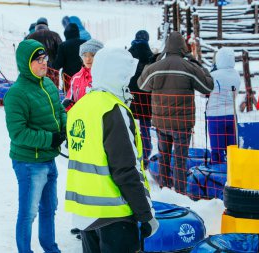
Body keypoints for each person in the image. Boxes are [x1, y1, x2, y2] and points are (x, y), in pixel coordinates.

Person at [65, 47, 158, 253]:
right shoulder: (112, 109)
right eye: (125, 76)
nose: (127, 82)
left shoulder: (79, 107)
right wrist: (145, 214)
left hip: (85, 214)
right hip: (114, 215)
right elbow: (125, 168)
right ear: (116, 75)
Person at [4, 39, 65, 253]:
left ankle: (50, 247)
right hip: (29, 163)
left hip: (49, 158)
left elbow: (60, 111)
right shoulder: (16, 93)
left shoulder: (48, 84)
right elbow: (18, 133)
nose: (43, 63)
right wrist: (50, 138)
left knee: (49, 208)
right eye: (37, 60)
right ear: (25, 63)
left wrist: (64, 129)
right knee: (28, 213)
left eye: (44, 58)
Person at [138, 31, 214, 194]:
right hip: (182, 125)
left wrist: (155, 61)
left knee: (164, 157)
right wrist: (196, 62)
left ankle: (165, 188)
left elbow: (142, 84)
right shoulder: (189, 67)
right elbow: (208, 86)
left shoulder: (156, 67)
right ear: (183, 47)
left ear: (166, 46)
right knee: (180, 160)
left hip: (161, 123)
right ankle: (180, 193)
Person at [206, 48, 240, 164]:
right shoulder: (236, 74)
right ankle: (233, 172)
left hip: (216, 116)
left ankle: (217, 175)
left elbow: (203, 93)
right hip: (232, 115)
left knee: (217, 150)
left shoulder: (213, 75)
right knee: (232, 149)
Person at [128, 30, 154, 168]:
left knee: (130, 126)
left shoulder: (128, 54)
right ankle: (146, 153)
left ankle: (132, 154)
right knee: (145, 127)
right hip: (146, 96)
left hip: (131, 96)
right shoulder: (151, 55)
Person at [62, 39, 103, 111]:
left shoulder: (104, 77)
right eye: (84, 55)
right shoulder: (76, 78)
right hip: (81, 119)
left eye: (92, 55)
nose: (87, 59)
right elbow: (70, 100)